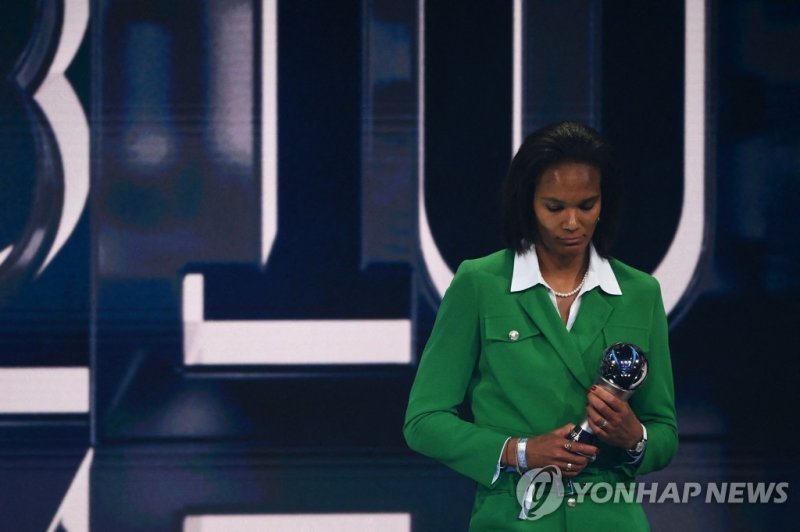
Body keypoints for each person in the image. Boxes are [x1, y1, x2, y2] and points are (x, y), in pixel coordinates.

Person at [403, 121, 678, 530]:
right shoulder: (480, 283)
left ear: (604, 204)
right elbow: (423, 423)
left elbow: (665, 433)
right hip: (514, 518)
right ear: (526, 203)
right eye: (555, 207)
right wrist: (520, 451)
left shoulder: (640, 292)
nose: (572, 223)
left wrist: (634, 436)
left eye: (587, 206)